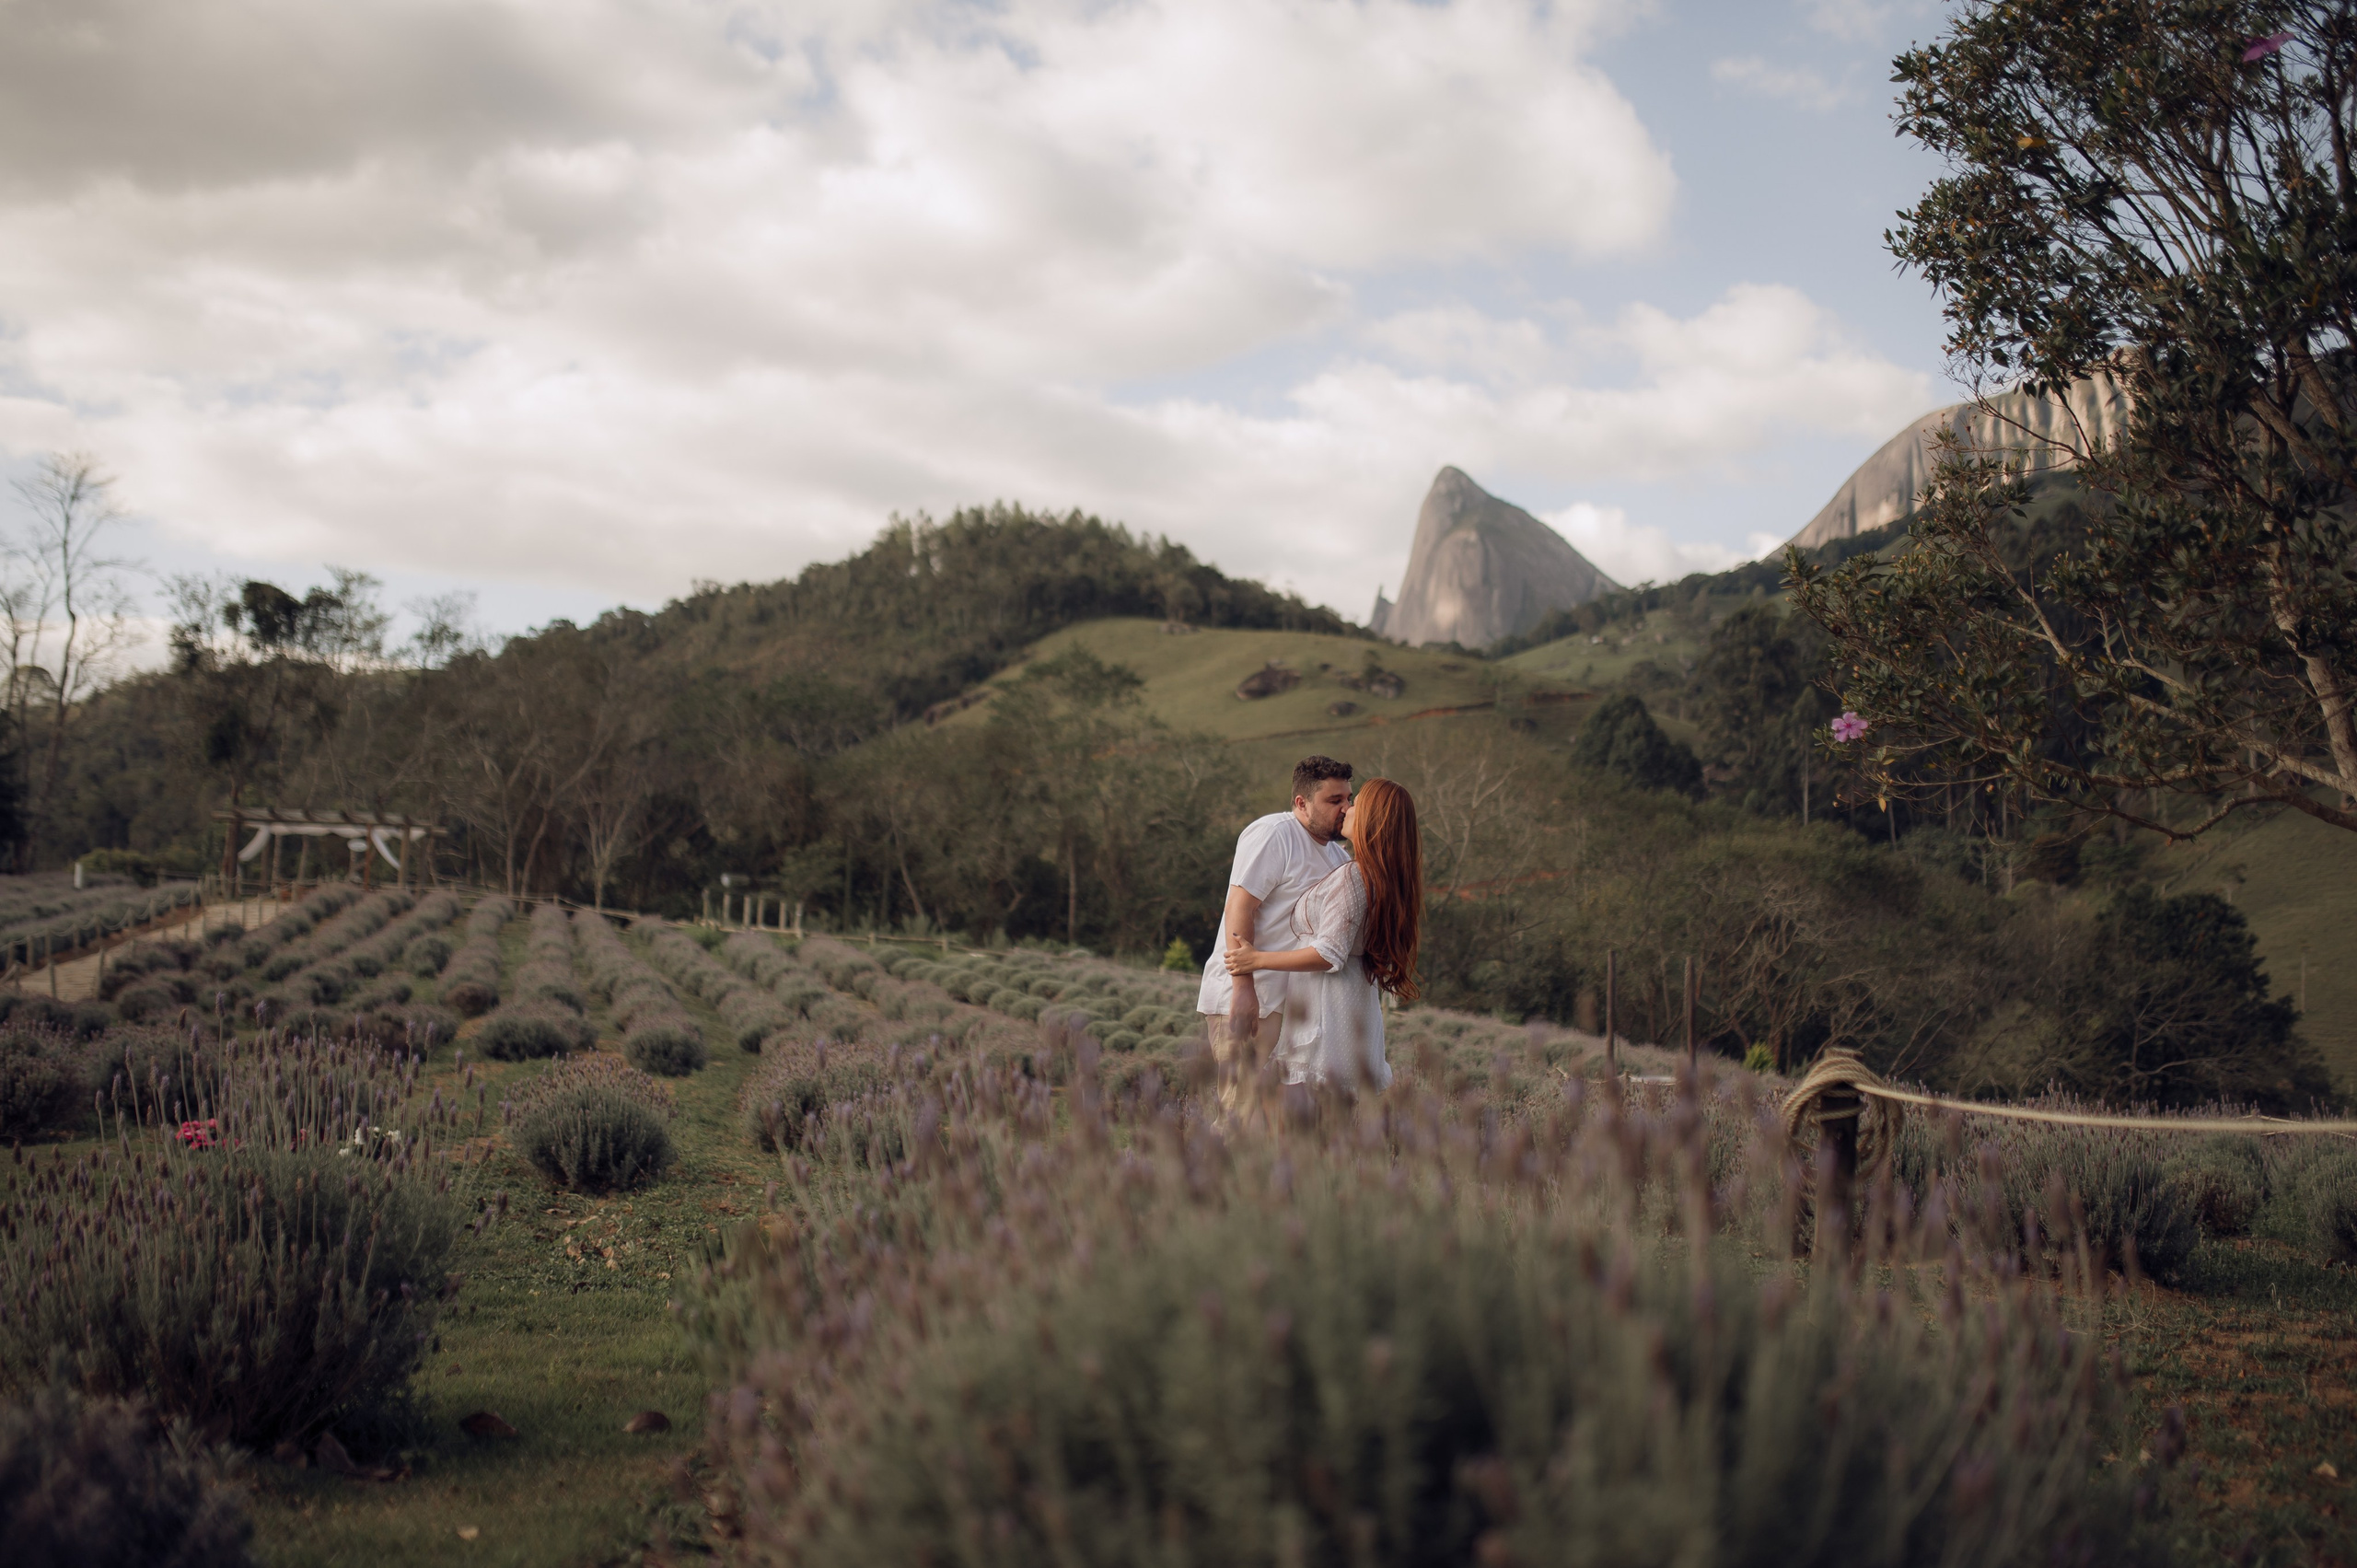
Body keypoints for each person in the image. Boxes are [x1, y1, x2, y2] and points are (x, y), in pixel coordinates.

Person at [1224, 776, 1422, 1094]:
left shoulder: (1354, 876)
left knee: (1302, 1127)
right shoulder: (1374, 877)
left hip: (1327, 1013)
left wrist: (1255, 959)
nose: (1348, 810)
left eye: (1356, 804)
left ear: (1372, 819)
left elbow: (1328, 953)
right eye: (1341, 801)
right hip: (1350, 1005)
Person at [1197, 756, 1354, 1124]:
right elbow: (1240, 907)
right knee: (1238, 1113)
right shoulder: (1274, 833)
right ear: (1301, 803)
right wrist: (1243, 990)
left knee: (1275, 1124)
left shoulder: (1336, 856)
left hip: (1298, 1011)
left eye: (1348, 798)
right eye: (1334, 801)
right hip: (1252, 999)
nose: (1345, 809)